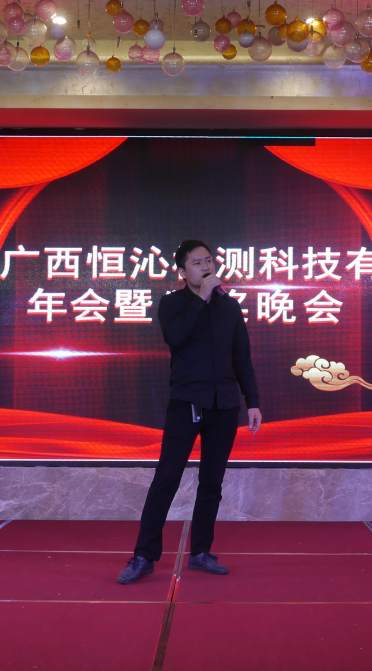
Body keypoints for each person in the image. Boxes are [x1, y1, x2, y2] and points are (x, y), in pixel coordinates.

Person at [118, 240, 262, 585]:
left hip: (224, 405)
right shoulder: (172, 303)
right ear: (182, 272)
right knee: (166, 477)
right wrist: (201, 299)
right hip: (187, 403)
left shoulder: (230, 307)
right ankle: (144, 556)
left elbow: (242, 357)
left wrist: (253, 401)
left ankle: (200, 552)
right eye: (197, 263)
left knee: (212, 482)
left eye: (209, 260)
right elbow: (175, 337)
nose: (206, 266)